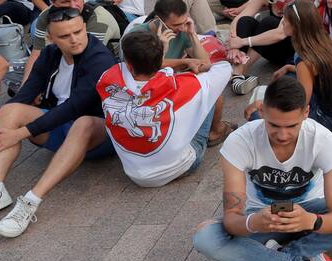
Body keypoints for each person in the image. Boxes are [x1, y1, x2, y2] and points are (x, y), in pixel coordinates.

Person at [192, 76, 332, 261]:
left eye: (292, 126)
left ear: (306, 113)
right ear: (261, 111)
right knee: (204, 237)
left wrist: (310, 220)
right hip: (262, 214)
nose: (283, 135)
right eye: (274, 125)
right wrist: (255, 222)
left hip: (311, 210)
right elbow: (232, 219)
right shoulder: (239, 142)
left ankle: (266, 260)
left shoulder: (324, 141)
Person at [0, 7, 115, 238]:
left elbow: (74, 107)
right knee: (9, 110)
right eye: (65, 36)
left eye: (78, 31)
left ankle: (30, 202)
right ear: (51, 38)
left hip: (98, 136)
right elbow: (26, 94)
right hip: (61, 129)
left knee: (84, 122)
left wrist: (20, 133)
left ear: (85, 27)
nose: (75, 39)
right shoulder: (50, 55)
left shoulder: (100, 60)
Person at [97, 28, 231, 188]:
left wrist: (162, 57)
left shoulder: (107, 80)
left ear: (129, 63)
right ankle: (216, 131)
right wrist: (194, 64)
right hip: (181, 167)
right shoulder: (183, 84)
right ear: (160, 59)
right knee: (208, 92)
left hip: (134, 174)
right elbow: (224, 68)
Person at [259, 0, 332, 135]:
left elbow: (302, 101)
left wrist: (268, 110)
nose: (282, 23)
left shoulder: (304, 58)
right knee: (289, 78)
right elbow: (317, 71)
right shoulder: (325, 40)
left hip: (327, 120)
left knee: (260, 117)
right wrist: (288, 67)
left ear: (295, 26)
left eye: (285, 20)